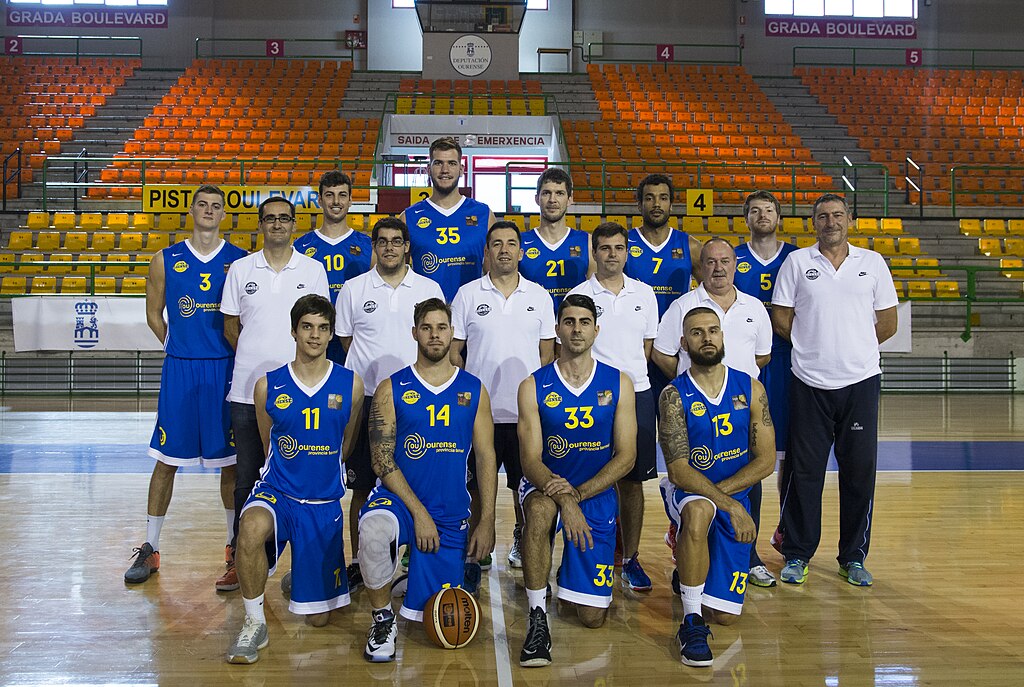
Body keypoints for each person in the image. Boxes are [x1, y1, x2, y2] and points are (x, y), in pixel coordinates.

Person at [226, 295, 364, 664]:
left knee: (318, 620)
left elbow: (345, 445)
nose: (315, 336)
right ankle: (254, 622)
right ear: (294, 331)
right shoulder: (267, 386)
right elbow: (270, 441)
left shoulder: (350, 385)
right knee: (250, 528)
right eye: (307, 327)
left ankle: (299, 575)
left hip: (322, 504)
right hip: (278, 494)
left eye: (322, 328)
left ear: (332, 333)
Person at [358, 298, 497, 663]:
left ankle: (410, 578)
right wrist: (418, 512)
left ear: (453, 333)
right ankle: (381, 618)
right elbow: (381, 460)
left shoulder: (474, 390)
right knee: (373, 531)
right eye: (427, 328)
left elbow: (486, 457)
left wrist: (487, 520)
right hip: (401, 502)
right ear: (414, 332)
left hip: (451, 511)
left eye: (442, 328)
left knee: (438, 619)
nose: (435, 335)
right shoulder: (391, 388)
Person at [771, 193, 898, 587]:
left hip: (860, 383)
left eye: (838, 215)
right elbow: (781, 318)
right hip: (808, 382)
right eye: (823, 216)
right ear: (814, 223)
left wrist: (853, 348)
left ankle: (853, 557)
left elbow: (888, 323)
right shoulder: (797, 262)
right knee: (802, 472)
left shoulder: (873, 263)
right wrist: (815, 348)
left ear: (850, 221)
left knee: (859, 474)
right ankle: (797, 554)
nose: (831, 222)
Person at [125, 185, 247, 586]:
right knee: (165, 460)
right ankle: (150, 546)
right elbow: (153, 315)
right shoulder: (165, 259)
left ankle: (233, 546)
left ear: (224, 215)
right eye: (203, 205)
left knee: (230, 464)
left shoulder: (240, 261)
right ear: (191, 210)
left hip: (225, 370)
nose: (209, 211)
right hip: (181, 370)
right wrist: (179, 347)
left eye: (217, 206)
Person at [517, 294, 637, 668]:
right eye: (569, 321)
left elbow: (627, 456)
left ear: (597, 329)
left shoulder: (619, 383)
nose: (577, 329)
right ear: (556, 330)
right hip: (546, 486)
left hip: (596, 490)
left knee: (591, 619)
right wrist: (566, 501)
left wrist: (580, 494)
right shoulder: (533, 385)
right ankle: (538, 615)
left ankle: (575, 580)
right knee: (537, 512)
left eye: (585, 322)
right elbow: (530, 461)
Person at [220, 197, 330, 591]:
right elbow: (231, 325)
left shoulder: (313, 269)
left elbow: (318, 323)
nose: (278, 224)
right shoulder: (241, 269)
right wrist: (257, 356)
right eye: (271, 219)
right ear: (261, 223)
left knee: (302, 478)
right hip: (248, 392)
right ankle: (244, 557)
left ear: (294, 224)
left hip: (301, 395)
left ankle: (302, 563)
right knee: (248, 477)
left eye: (285, 218)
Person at [657, 306, 775, 667]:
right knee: (697, 511)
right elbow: (678, 471)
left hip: (729, 490)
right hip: (690, 490)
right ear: (683, 343)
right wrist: (730, 505)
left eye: (713, 331)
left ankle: (689, 567)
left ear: (723, 336)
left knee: (723, 616)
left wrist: (727, 499)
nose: (706, 338)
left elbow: (766, 461)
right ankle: (690, 623)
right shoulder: (673, 396)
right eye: (696, 332)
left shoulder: (751, 388)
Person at [334, 217, 444, 593]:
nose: (390, 248)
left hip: (419, 400)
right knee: (362, 486)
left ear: (407, 246)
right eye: (382, 242)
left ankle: (412, 559)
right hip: (367, 402)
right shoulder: (352, 289)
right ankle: (357, 562)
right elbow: (347, 341)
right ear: (374, 247)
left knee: (415, 482)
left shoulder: (428, 288)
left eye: (397, 241)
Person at [451, 220, 556, 576]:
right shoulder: (467, 295)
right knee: (476, 484)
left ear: (521, 251)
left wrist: (538, 402)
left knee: (523, 485)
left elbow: (547, 356)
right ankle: (475, 548)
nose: (504, 249)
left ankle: (519, 536)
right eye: (497, 243)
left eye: (511, 243)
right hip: (479, 412)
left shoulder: (539, 297)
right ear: (487, 252)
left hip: (525, 412)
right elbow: (455, 351)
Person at [566, 223, 659, 591]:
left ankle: (630, 557)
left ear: (628, 251)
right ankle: (584, 556)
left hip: (636, 393)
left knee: (633, 482)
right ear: (594, 252)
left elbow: (646, 350)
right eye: (604, 248)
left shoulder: (646, 294)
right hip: (591, 397)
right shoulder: (578, 295)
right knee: (588, 476)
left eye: (619, 248)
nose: (612, 255)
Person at [732, 190, 798, 588]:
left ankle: (787, 530)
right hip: (746, 364)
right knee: (748, 453)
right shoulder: (731, 257)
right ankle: (744, 540)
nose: (761, 215)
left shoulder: (798, 257)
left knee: (790, 453)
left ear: (779, 216)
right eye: (754, 209)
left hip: (789, 362)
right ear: (745, 218)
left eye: (768, 209)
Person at [653, 237, 773, 382]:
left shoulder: (755, 306)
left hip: (743, 398)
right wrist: (689, 382)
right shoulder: (682, 306)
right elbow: (660, 354)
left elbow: (763, 356)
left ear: (735, 265)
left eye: (725, 261)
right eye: (711, 262)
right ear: (701, 266)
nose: (718, 268)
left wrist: (736, 382)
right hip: (696, 401)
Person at [400, 136, 498, 302]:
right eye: (438, 163)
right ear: (428, 169)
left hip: (473, 312)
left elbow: (494, 275)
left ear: (461, 169)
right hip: (426, 316)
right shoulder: (408, 217)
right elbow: (398, 275)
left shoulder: (484, 214)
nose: (445, 170)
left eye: (452, 163)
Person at [293, 170, 373, 364]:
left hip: (355, 335)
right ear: (319, 200)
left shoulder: (368, 246)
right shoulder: (300, 246)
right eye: (329, 195)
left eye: (342, 195)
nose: (336, 201)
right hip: (314, 335)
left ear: (351, 200)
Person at [625, 173, 703, 318]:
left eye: (663, 198)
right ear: (639, 205)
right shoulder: (623, 243)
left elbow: (709, 292)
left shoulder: (690, 246)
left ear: (671, 205)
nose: (656, 204)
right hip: (635, 330)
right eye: (649, 198)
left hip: (676, 333)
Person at [518, 167, 594, 310]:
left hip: (573, 328)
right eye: (546, 193)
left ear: (570, 199)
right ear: (537, 199)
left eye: (559, 193)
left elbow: (595, 295)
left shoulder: (587, 242)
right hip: (532, 327)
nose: (552, 200)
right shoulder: (520, 243)